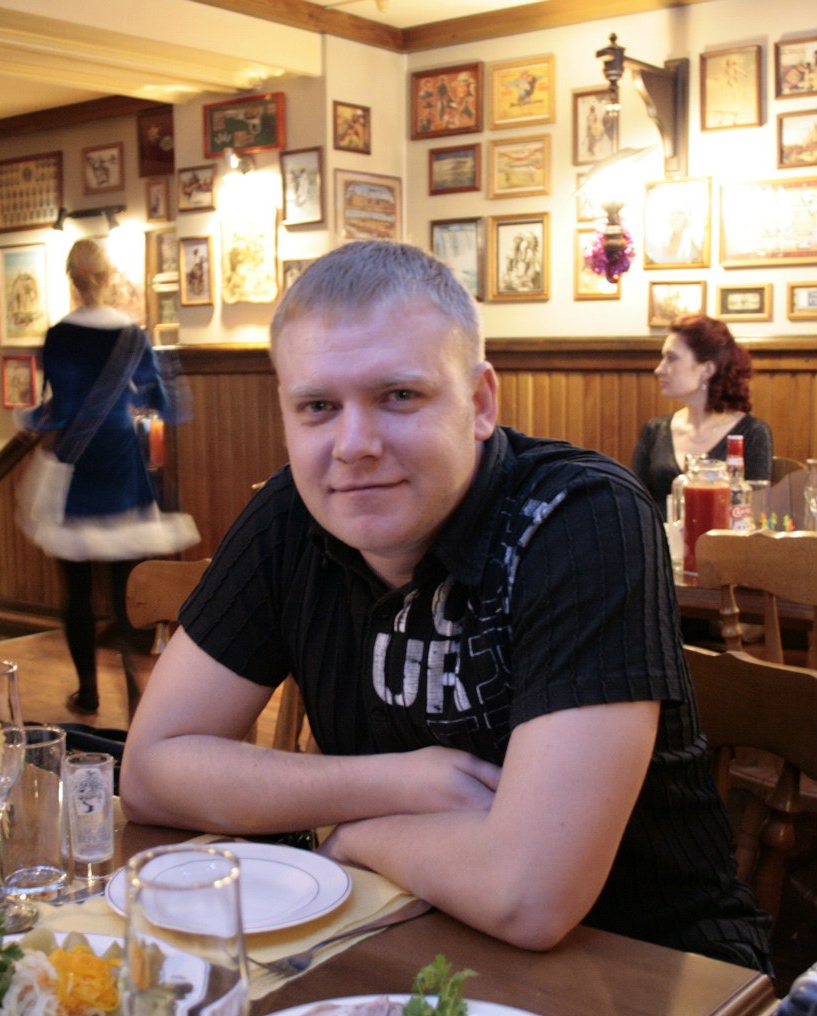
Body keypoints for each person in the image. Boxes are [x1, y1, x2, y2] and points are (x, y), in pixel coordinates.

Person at [121, 241, 771, 972]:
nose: (353, 445)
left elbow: (529, 893)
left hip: (649, 968)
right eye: (317, 407)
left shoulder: (582, 517)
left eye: (399, 395)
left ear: (480, 402)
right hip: (401, 941)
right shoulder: (290, 516)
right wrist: (394, 782)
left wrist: (354, 835)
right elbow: (150, 774)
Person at [17, 239, 198, 715]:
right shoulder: (133, 336)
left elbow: (57, 412)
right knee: (128, 592)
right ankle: (136, 686)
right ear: (108, 277)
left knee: (76, 592)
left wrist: (28, 420)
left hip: (76, 470)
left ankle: (88, 692)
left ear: (71, 279)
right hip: (121, 467)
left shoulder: (57, 336)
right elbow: (168, 407)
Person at [632, 313, 773, 515]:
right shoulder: (654, 430)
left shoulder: (752, 433)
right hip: (657, 535)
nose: (659, 369)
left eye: (671, 358)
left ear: (707, 369)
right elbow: (634, 504)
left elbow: (755, 513)